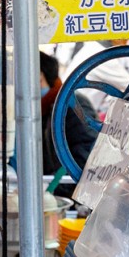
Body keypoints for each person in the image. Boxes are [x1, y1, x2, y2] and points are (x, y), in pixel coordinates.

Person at [41, 51, 99, 180]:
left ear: (40, 76)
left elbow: (88, 151)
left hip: (71, 190)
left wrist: (56, 186)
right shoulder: (43, 109)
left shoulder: (72, 104)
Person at [60, 39, 129, 117]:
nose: (127, 41)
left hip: (72, 107)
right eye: (126, 38)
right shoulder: (103, 57)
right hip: (77, 112)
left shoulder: (93, 48)